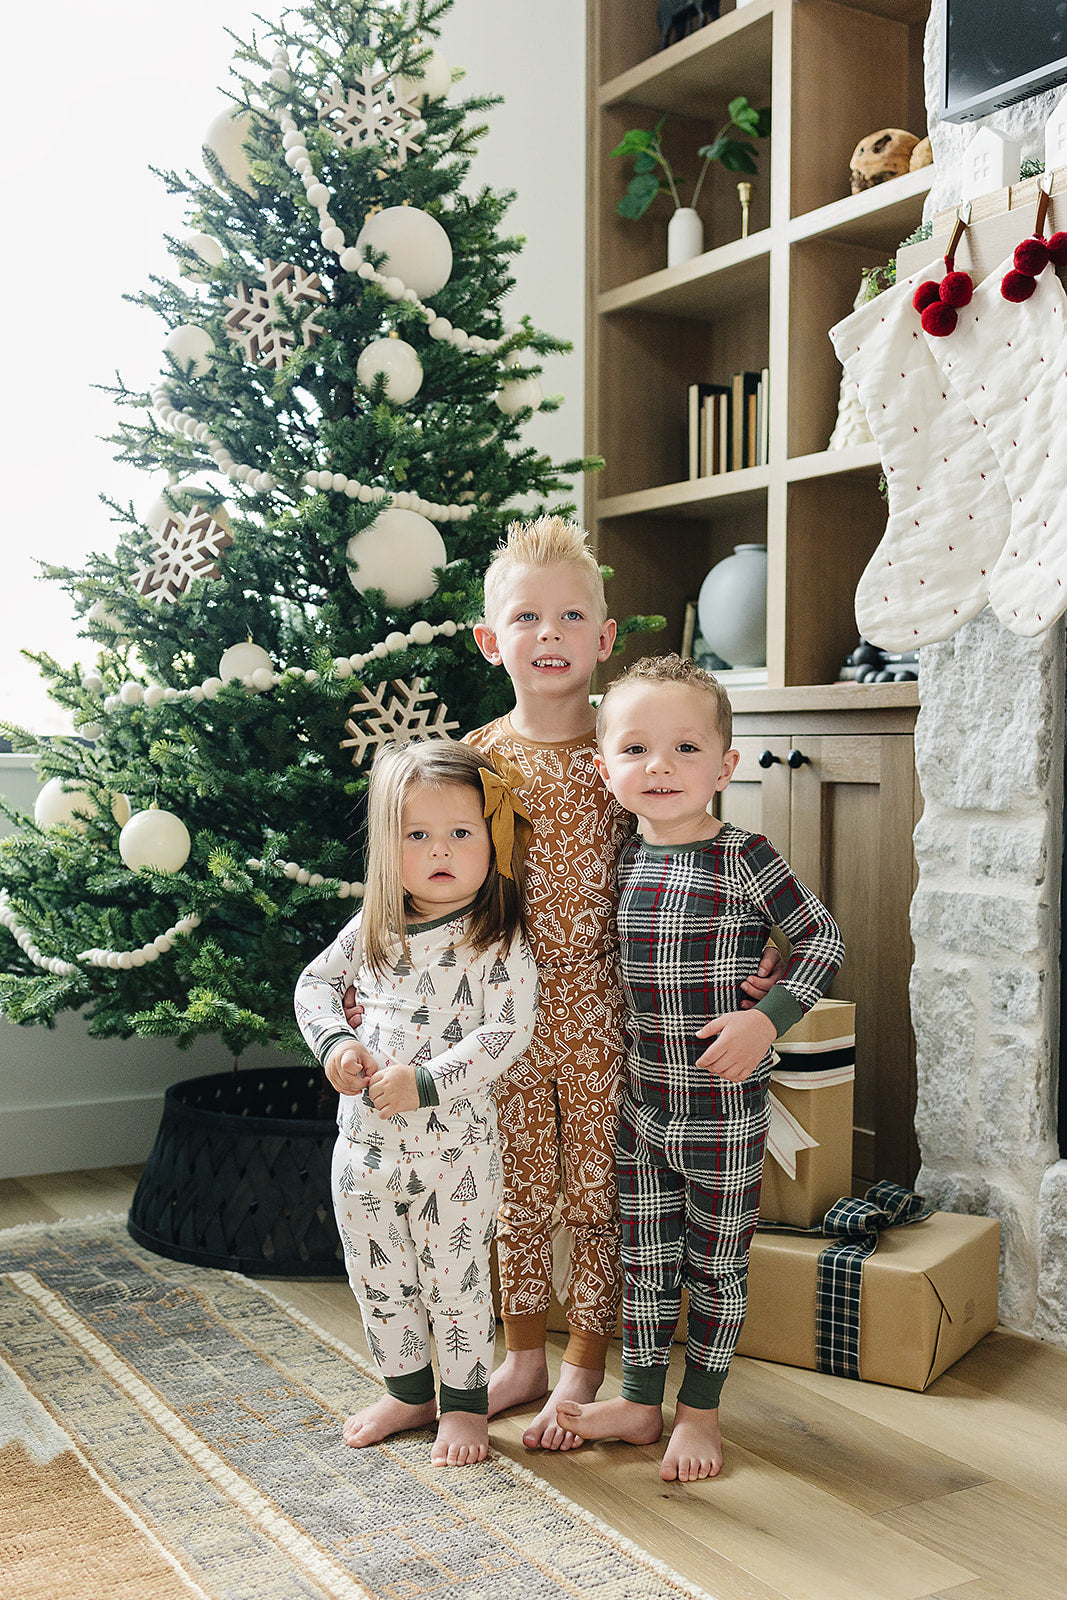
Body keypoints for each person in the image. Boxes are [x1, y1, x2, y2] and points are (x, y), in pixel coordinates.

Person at [465, 517, 783, 1450]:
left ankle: (585, 1366)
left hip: (613, 1012)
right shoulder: (479, 760)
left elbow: (706, 857)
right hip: (509, 1010)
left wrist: (763, 947)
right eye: (527, 617)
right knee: (520, 1187)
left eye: (572, 616)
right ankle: (522, 1354)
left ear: (604, 637)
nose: (550, 634)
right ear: (490, 642)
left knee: (602, 1195)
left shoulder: (632, 747)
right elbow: (441, 878)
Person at [556, 654, 844, 1482]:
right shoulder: (619, 860)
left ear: (723, 767)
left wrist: (765, 1017)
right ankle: (639, 1402)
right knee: (645, 1262)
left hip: (722, 1111)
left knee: (714, 1266)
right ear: (604, 768)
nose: (659, 767)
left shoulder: (744, 855)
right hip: (641, 1107)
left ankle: (700, 1412)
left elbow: (820, 939)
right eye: (635, 749)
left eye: (685, 749)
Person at [294, 738, 538, 1467]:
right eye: (418, 835)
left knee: (455, 1284)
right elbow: (314, 984)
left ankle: (463, 1405)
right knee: (378, 1278)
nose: (441, 851)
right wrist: (337, 1044)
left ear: (491, 841)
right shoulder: (373, 928)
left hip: (453, 1156)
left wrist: (425, 1083)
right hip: (363, 1152)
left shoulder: (496, 939)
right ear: (386, 846)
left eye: (461, 832)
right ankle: (407, 1393)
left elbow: (507, 1032)